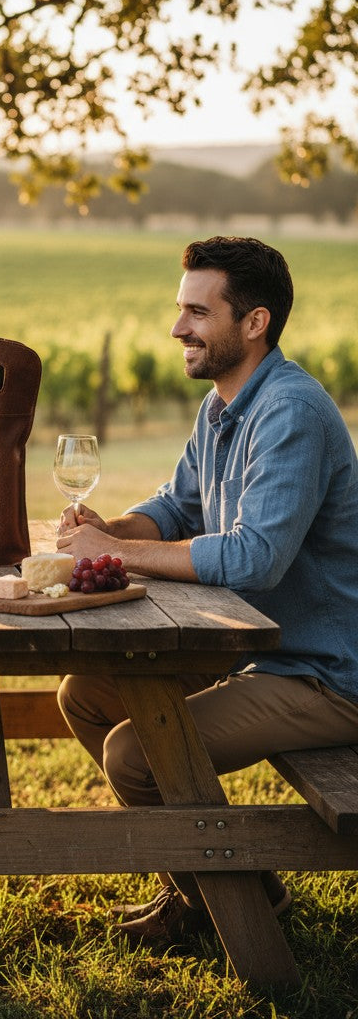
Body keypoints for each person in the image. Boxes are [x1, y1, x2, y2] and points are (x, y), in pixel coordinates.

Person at [55, 235, 358, 947]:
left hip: (325, 673)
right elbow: (179, 505)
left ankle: (230, 906)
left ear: (254, 324)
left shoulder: (290, 413)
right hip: (261, 651)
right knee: (86, 693)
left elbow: (255, 559)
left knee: (134, 754)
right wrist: (112, 525)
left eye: (197, 311)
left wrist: (119, 552)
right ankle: (220, 888)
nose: (177, 328)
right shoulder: (224, 406)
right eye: (179, 308)